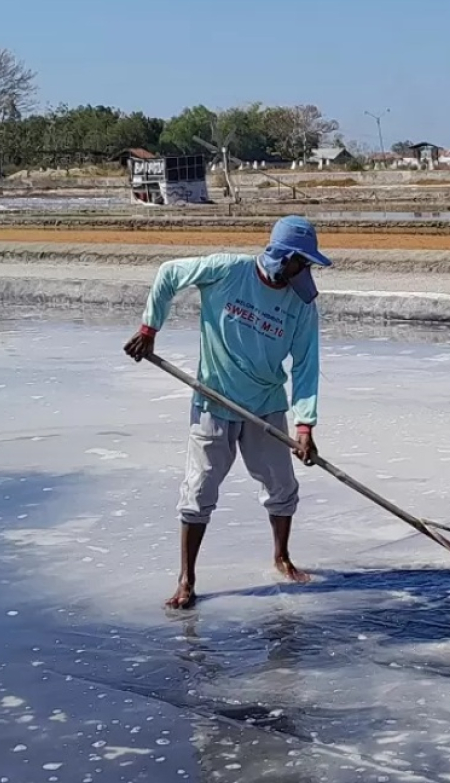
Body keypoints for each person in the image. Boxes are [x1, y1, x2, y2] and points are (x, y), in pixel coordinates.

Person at [123, 215, 332, 610]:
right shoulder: (227, 271)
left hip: (267, 405)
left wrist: (305, 425)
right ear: (281, 256)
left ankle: (281, 556)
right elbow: (169, 274)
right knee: (199, 491)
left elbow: (306, 365)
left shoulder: (301, 303)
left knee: (282, 487)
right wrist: (150, 329)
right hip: (214, 401)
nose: (305, 270)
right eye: (300, 262)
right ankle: (187, 578)